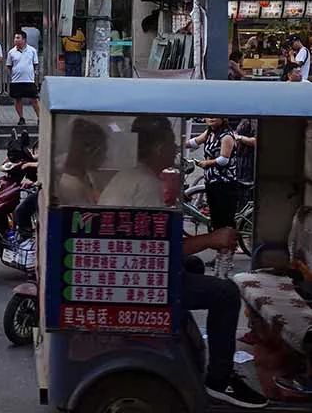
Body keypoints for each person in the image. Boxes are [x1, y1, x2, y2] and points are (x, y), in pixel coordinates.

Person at [99, 115, 267, 408]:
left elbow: (159, 232)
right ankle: (219, 378)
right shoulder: (145, 184)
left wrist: (200, 238)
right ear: (155, 147)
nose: (175, 149)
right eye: (170, 142)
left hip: (133, 269)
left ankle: (186, 345)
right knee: (226, 294)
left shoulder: (131, 177)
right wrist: (211, 240)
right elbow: (159, 248)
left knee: (195, 266)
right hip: (139, 280)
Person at [187, 118, 242, 230]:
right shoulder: (209, 132)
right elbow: (195, 142)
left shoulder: (226, 136)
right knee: (216, 219)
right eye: (209, 116)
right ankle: (220, 245)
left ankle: (228, 246)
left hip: (225, 183)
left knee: (225, 220)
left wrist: (206, 163)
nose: (211, 118)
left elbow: (223, 159)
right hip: (211, 182)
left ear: (223, 119)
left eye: (215, 116)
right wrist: (176, 145)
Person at [55, 117, 106, 205]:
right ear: (90, 150)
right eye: (103, 150)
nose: (105, 157)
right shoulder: (71, 187)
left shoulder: (86, 176)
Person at [6, 30, 40, 127]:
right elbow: (9, 66)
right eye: (15, 38)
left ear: (24, 40)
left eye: (18, 38)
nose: (16, 40)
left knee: (34, 100)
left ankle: (39, 118)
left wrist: (34, 75)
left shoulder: (32, 50)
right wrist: (11, 76)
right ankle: (21, 118)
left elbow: (35, 64)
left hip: (29, 80)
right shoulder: (11, 52)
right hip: (16, 80)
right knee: (18, 100)